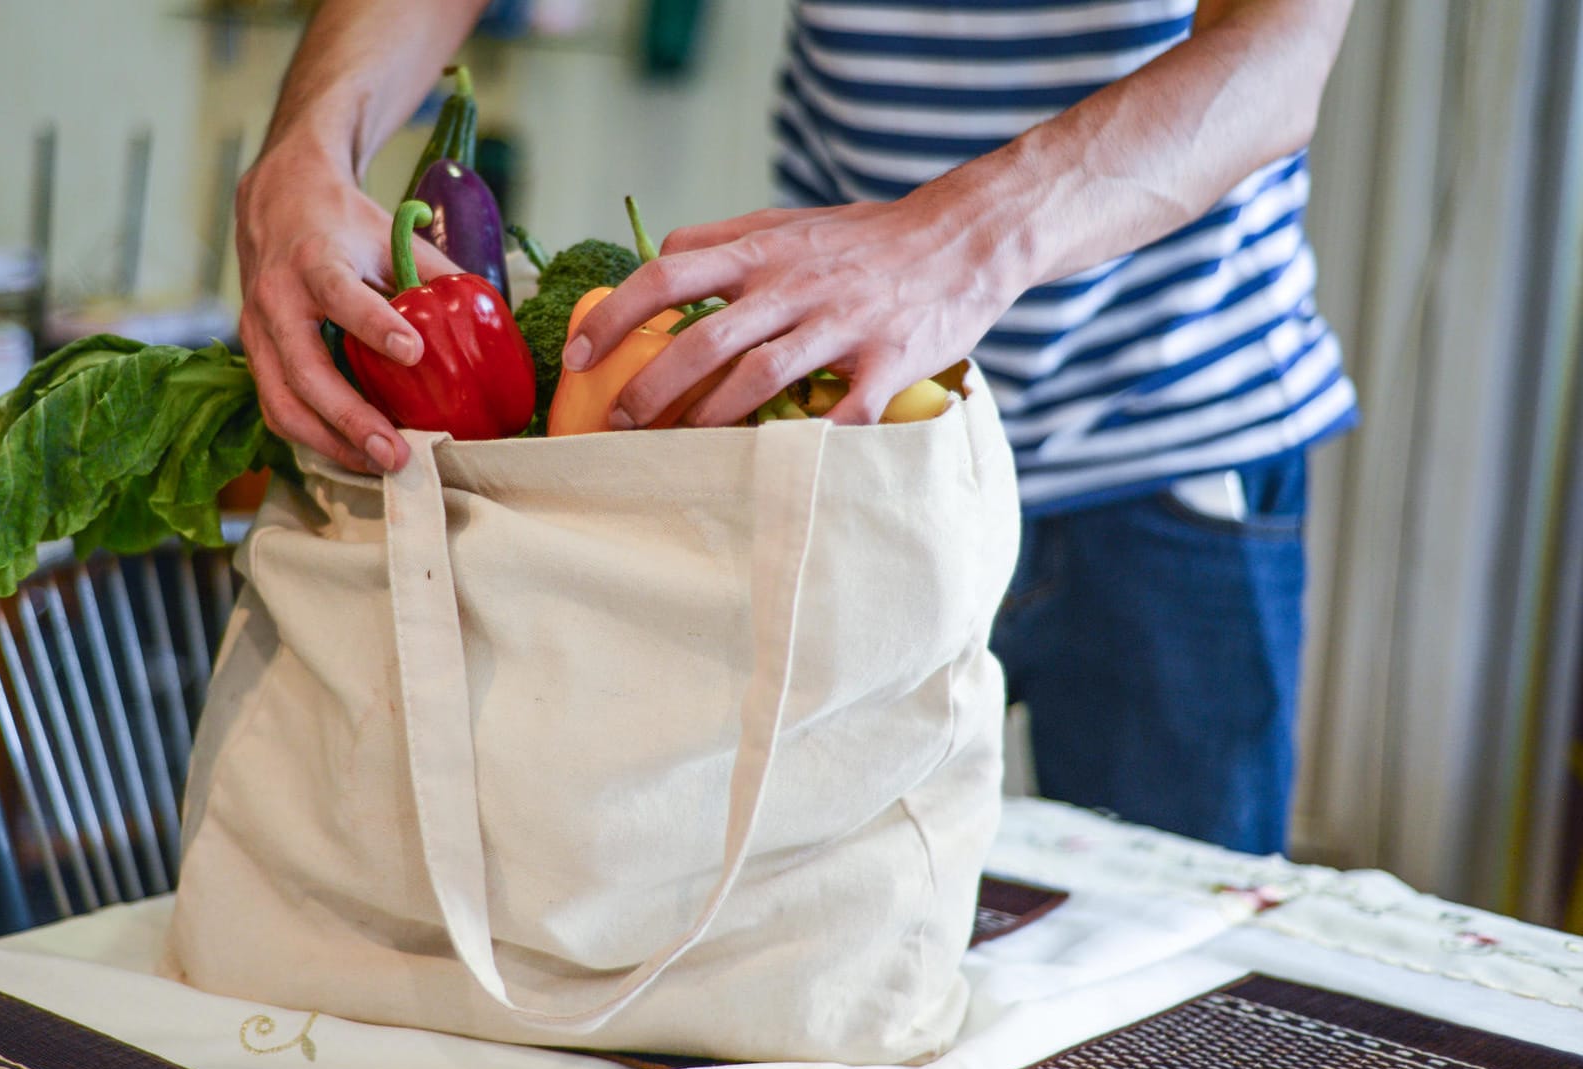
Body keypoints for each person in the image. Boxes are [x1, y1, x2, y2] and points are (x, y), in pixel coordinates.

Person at [233, 0, 1358, 856]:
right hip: (835, 448)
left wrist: (953, 243)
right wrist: (308, 144)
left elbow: (1278, 56)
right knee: (802, 934)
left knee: (1163, 988)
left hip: (1168, 442)